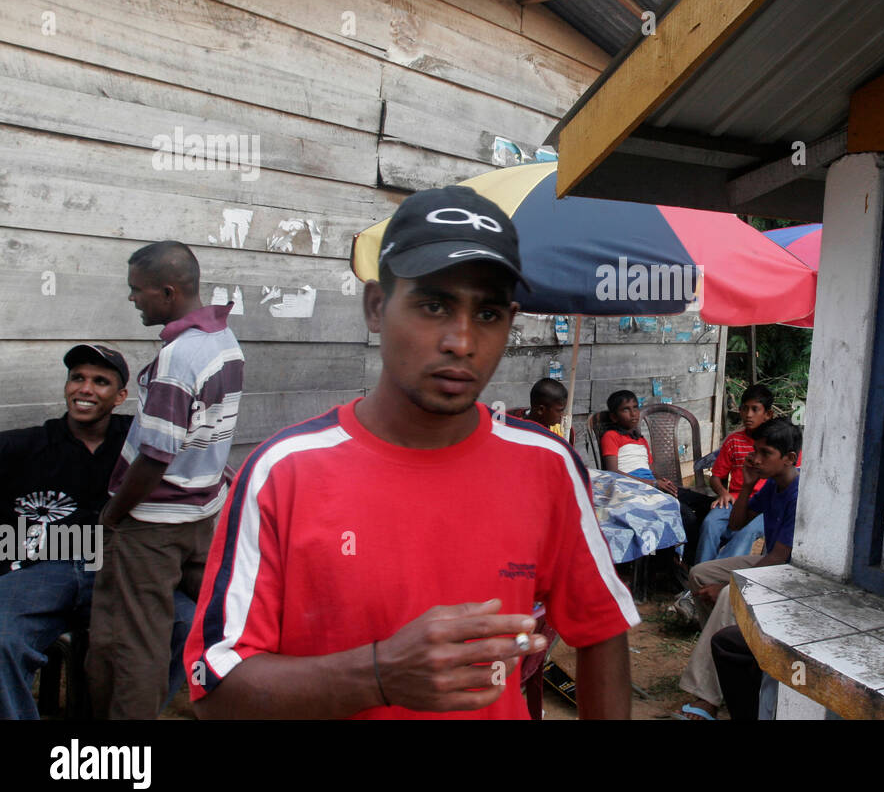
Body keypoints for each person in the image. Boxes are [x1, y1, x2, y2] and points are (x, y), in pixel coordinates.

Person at [185, 185, 637, 719]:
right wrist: (379, 674)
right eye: (434, 305)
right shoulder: (284, 473)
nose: (462, 341)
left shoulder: (547, 466)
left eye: (488, 314)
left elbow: (601, 628)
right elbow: (216, 690)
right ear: (376, 307)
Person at [87, 241, 244, 719]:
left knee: (132, 642)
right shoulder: (225, 341)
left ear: (168, 292)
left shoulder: (181, 356)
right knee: (215, 620)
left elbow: (157, 453)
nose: (133, 299)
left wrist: (113, 514)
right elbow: (209, 430)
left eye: (138, 291)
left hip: (152, 521)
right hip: (200, 513)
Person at [0, 346, 191, 719]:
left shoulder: (141, 445)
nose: (85, 389)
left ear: (120, 396)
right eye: (78, 378)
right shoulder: (27, 446)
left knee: (184, 622)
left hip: (120, 568)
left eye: (100, 381)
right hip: (43, 570)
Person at [678, 417, 800, 719]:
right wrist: (745, 485)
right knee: (699, 574)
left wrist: (729, 586)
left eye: (766, 453)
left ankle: (708, 697)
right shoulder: (773, 486)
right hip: (771, 564)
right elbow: (736, 524)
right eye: (755, 450)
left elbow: (779, 560)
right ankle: (723, 658)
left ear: (789, 459)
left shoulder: (799, 493)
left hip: (790, 575)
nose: (756, 459)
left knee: (724, 597)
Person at [600, 389, 713, 564]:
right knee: (686, 515)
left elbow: (651, 469)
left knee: (706, 504)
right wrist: (652, 484)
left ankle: (692, 555)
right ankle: (686, 564)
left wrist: (661, 480)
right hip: (632, 488)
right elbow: (613, 472)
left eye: (635, 407)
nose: (633, 413)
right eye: (626, 409)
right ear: (614, 417)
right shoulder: (611, 437)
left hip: (651, 485)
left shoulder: (640, 440)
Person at [696, 384, 775, 564]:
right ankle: (700, 578)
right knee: (710, 523)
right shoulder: (734, 441)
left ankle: (719, 579)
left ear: (768, 414)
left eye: (755, 409)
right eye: (744, 409)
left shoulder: (777, 442)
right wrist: (723, 493)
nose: (748, 415)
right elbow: (716, 476)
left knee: (746, 532)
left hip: (766, 506)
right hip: (735, 500)